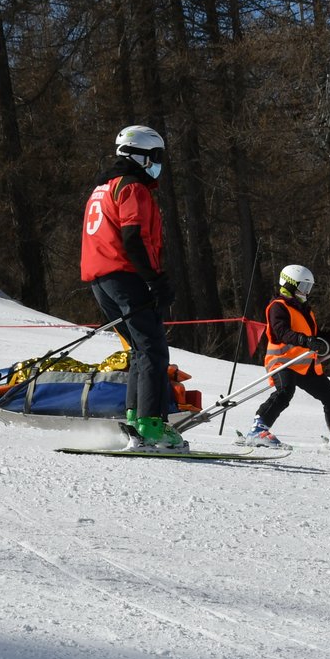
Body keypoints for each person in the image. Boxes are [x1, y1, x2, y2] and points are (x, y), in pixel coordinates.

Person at [81, 125, 185, 450]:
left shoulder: (103, 187)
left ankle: (136, 420)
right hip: (125, 276)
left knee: (139, 351)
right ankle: (152, 426)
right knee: (153, 348)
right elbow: (134, 237)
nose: (158, 164)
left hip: (101, 280)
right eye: (155, 157)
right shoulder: (133, 188)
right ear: (139, 155)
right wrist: (155, 280)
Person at [243, 264, 330, 454]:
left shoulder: (305, 310)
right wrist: (305, 341)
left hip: (305, 364)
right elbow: (282, 332)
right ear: (290, 285)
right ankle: (257, 430)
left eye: (308, 288)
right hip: (283, 362)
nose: (306, 292)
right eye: (303, 287)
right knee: (284, 392)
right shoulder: (278, 307)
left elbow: (317, 335)